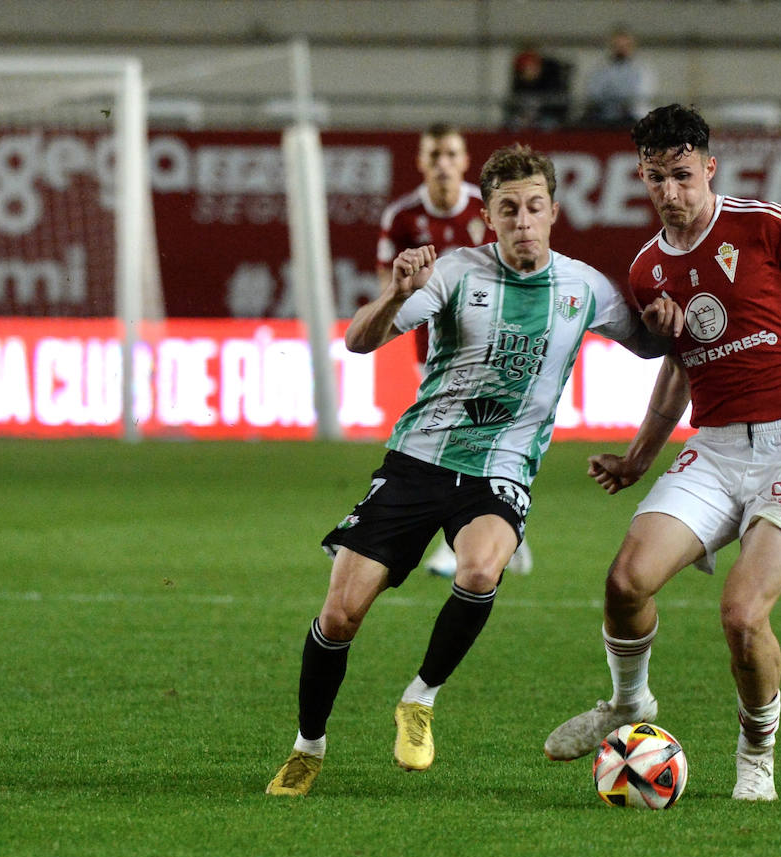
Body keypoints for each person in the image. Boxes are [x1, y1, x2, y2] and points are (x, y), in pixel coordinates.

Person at [266, 144, 676, 797]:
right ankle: (307, 745)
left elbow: (651, 341)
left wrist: (670, 318)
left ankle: (420, 698)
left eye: (534, 207)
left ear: (553, 212)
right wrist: (395, 292)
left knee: (482, 567)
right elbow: (361, 339)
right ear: (488, 216)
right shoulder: (457, 271)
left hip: (502, 470)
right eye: (507, 209)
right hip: (418, 460)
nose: (522, 220)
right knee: (341, 614)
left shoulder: (584, 287)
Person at [543, 105, 781, 802]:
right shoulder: (648, 267)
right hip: (714, 449)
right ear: (642, 177)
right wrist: (636, 457)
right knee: (626, 583)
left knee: (742, 614)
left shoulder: (765, 225)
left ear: (709, 168)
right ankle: (631, 702)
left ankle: (756, 757)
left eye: (682, 175)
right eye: (656, 177)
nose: (670, 190)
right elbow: (681, 369)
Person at [375, 124, 528, 577]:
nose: (442, 162)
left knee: (461, 438)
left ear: (465, 161)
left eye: (451, 153)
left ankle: (456, 543)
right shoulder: (401, 216)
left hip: (491, 341)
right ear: (421, 161)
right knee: (468, 438)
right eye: (434, 154)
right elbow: (389, 288)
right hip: (433, 347)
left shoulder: (485, 212)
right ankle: (509, 538)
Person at [581, 26, 656, 128]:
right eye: (617, 45)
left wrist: (618, 101)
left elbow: (642, 94)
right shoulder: (600, 69)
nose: (621, 49)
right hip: (604, 116)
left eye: (625, 45)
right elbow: (593, 93)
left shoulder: (642, 70)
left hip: (633, 116)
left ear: (632, 46)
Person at [503, 44, 572, 130]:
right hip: (525, 120)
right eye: (526, 70)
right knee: (513, 124)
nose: (531, 71)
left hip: (546, 119)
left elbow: (558, 109)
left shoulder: (550, 83)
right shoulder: (519, 86)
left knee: (548, 124)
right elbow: (513, 108)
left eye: (533, 68)